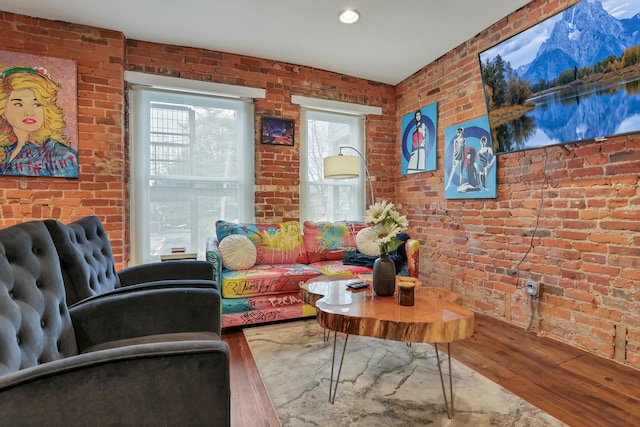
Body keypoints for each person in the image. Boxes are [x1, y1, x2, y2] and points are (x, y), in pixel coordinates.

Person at [0, 66, 78, 177]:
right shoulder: (6, 150)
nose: (29, 112)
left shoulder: (60, 155)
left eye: (37, 104)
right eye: (18, 104)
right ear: (3, 110)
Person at [406, 109, 427, 173]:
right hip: (414, 149)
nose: (418, 116)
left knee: (415, 169)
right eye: (416, 115)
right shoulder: (415, 128)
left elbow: (423, 135)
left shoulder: (422, 125)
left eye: (419, 115)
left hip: (419, 149)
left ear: (420, 116)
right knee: (410, 170)